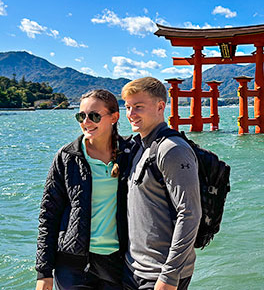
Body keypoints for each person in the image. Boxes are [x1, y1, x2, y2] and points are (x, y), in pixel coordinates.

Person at [36, 89, 132, 290]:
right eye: (81, 116)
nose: (86, 122)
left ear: (114, 117)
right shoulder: (66, 157)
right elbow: (49, 215)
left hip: (120, 263)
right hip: (72, 266)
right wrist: (44, 272)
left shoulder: (130, 153)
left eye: (94, 116)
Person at [122, 77, 201, 290]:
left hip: (160, 273)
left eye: (138, 107)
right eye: (128, 107)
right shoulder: (138, 146)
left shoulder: (173, 149)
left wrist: (169, 275)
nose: (130, 114)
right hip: (133, 268)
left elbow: (190, 213)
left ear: (160, 106)